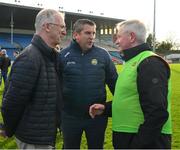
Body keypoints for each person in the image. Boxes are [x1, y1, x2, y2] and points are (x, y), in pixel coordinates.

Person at [89, 20, 172, 149]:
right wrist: (106, 108)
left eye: (119, 37)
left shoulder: (150, 63)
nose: (116, 41)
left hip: (144, 142)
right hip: (130, 137)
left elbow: (157, 111)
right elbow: (131, 99)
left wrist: (138, 144)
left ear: (132, 37)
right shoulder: (131, 62)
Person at [1, 8, 66, 149]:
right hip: (33, 139)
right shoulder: (30, 58)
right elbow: (11, 103)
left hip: (43, 136)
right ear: (47, 27)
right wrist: (10, 129)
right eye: (61, 27)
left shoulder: (50, 56)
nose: (64, 32)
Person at [59, 19, 118, 149]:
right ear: (76, 35)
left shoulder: (103, 55)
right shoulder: (62, 56)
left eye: (93, 33)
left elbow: (115, 84)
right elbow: (55, 87)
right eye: (87, 33)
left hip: (96, 117)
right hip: (70, 117)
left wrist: (117, 106)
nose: (91, 37)